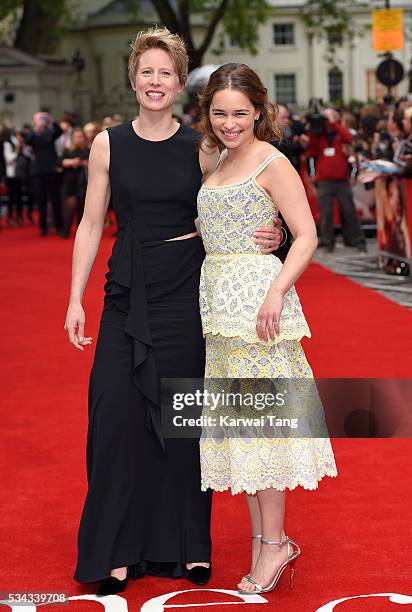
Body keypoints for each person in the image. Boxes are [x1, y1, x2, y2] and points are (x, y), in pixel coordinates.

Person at [64, 28, 282, 597]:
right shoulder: (107, 144)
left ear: (179, 81)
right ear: (133, 78)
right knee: (113, 416)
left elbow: (246, 194)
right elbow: (91, 224)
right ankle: (115, 549)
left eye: (166, 74)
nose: (155, 83)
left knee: (182, 424)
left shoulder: (205, 146)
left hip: (188, 293)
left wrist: (274, 232)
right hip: (127, 292)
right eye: (147, 73)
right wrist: (74, 298)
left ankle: (185, 547)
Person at [196, 63, 338, 595]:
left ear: (259, 110)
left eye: (240, 113)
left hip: (259, 310)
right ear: (208, 113)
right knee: (241, 426)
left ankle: (275, 542)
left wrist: (276, 290)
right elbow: (212, 226)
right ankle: (264, 540)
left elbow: (306, 235)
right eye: (220, 113)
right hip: (217, 308)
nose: (230, 123)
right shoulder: (212, 155)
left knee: (266, 428)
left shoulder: (273, 162)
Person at [304, 107, 367, 253]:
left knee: (349, 211)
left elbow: (349, 139)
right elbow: (310, 152)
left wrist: (335, 124)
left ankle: (357, 240)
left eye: (329, 117)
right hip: (324, 181)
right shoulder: (318, 134)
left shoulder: (340, 132)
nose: (326, 120)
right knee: (325, 213)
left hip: (341, 180)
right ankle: (328, 243)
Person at [24, 112, 63, 236]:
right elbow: (28, 141)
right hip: (38, 172)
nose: (41, 120)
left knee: (56, 199)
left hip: (52, 170)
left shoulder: (50, 132)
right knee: (41, 201)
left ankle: (59, 226)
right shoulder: (32, 133)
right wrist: (37, 128)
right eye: (38, 118)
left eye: (42, 118)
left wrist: (51, 120)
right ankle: (43, 227)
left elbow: (59, 131)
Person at [61, 127, 90, 238]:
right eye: (76, 137)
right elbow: (61, 162)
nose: (78, 139)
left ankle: (81, 232)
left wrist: (83, 163)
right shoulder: (67, 150)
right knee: (69, 207)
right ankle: (66, 230)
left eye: (80, 137)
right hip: (70, 182)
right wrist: (72, 162)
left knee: (82, 208)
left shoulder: (88, 150)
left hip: (84, 182)